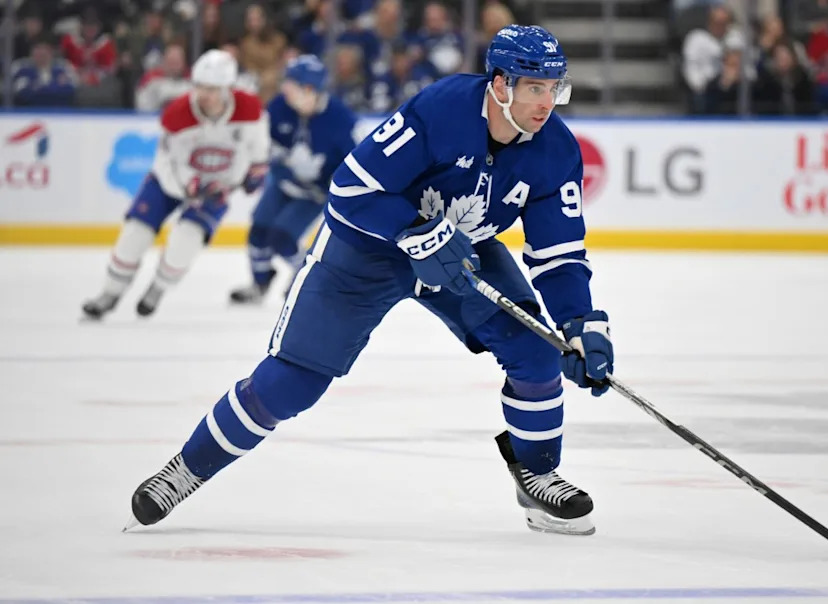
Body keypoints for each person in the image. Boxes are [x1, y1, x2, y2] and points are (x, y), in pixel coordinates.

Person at [124, 25, 615, 537]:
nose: (547, 103)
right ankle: (186, 469)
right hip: (367, 249)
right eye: (535, 87)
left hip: (460, 252)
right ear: (499, 84)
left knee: (536, 351)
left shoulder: (557, 151)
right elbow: (350, 190)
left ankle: (536, 474)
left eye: (554, 88)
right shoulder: (442, 109)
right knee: (291, 383)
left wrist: (580, 323)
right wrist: (415, 231)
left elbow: (559, 255)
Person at [81, 49, 270, 320]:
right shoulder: (178, 113)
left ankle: (158, 288)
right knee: (135, 233)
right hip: (170, 182)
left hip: (216, 187)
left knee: (187, 239)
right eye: (200, 86)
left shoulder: (250, 109)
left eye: (212, 89)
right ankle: (110, 293)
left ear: (228, 88)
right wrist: (188, 185)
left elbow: (258, 147)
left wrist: (256, 169)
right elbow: (165, 163)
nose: (204, 94)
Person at [229, 55, 359, 304]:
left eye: (291, 83)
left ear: (309, 89)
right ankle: (259, 284)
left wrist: (335, 184)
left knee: (283, 238)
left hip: (314, 193)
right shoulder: (279, 107)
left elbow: (356, 160)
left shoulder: (341, 120)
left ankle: (308, 277)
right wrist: (255, 168)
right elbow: (263, 144)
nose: (284, 88)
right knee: (258, 231)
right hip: (283, 182)